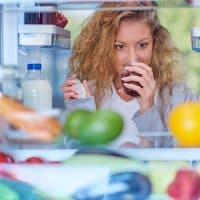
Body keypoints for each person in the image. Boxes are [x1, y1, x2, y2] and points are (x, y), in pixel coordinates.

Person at [61, 1, 199, 147]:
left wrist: (148, 106)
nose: (133, 59)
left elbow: (182, 157)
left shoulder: (180, 95)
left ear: (156, 44)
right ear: (104, 49)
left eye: (143, 45)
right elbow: (79, 158)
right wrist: (81, 112)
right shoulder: (90, 93)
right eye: (119, 47)